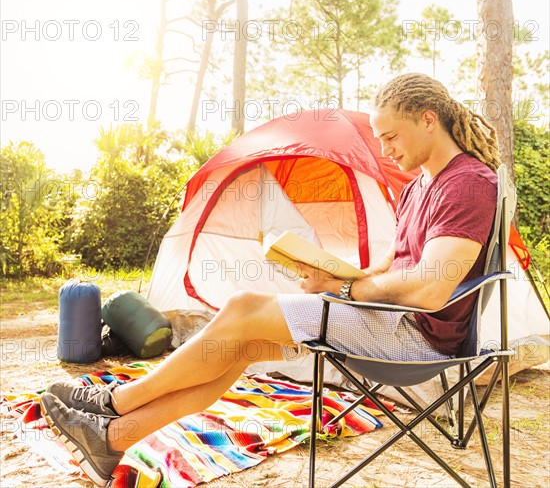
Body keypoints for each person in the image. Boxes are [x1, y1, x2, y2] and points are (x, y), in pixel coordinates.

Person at [40, 73, 500, 486]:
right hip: (385, 318)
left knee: (242, 307)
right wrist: (339, 274)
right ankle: (114, 438)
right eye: (379, 139)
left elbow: (430, 287)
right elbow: (396, 264)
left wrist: (344, 289)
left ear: (427, 119)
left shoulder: (466, 183)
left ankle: (115, 404)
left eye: (391, 137)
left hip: (416, 338)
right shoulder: (421, 184)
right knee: (239, 343)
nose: (385, 151)